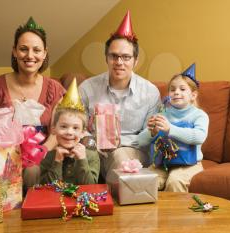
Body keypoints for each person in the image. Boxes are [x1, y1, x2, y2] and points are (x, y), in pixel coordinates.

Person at [0, 17, 65, 189]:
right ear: (14, 51)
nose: (30, 55)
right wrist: (13, 154)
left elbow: (58, 131)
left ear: (45, 53)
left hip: (43, 157)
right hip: (4, 157)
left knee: (33, 170)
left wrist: (40, 151)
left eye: (36, 50)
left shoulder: (55, 89)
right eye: (23, 49)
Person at [79, 11, 161, 180]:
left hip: (132, 150)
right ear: (106, 58)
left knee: (119, 157)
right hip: (94, 148)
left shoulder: (150, 92)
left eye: (126, 57)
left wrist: (119, 144)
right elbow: (77, 125)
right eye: (114, 56)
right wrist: (92, 143)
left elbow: (149, 134)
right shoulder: (87, 88)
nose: (119, 62)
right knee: (80, 156)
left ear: (135, 60)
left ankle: (114, 205)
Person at [138, 63, 209, 192]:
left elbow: (199, 137)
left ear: (193, 95)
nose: (176, 92)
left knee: (175, 181)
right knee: (145, 181)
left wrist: (170, 129)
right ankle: (149, 212)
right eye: (172, 89)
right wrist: (152, 132)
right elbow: (140, 141)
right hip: (161, 164)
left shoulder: (199, 115)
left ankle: (172, 212)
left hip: (188, 164)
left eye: (182, 89)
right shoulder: (161, 114)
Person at [40, 78, 100, 184]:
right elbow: (46, 188)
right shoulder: (49, 156)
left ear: (83, 132)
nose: (69, 132)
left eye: (75, 128)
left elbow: (91, 186)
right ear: (53, 129)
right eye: (63, 126)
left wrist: (82, 160)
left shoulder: (91, 155)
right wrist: (57, 161)